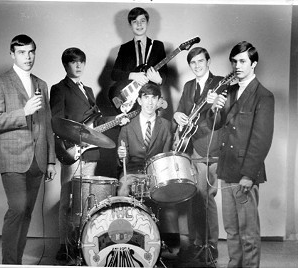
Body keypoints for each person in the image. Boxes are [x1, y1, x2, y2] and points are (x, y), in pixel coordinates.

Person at [50, 47, 128, 263]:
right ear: (66, 65)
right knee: (67, 200)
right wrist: (68, 147)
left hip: (90, 154)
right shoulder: (59, 89)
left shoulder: (90, 91)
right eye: (73, 62)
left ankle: (81, 243)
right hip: (72, 152)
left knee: (85, 201)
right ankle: (64, 245)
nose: (78, 66)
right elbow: (56, 122)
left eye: (81, 62)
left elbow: (97, 123)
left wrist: (118, 118)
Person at [0, 34, 56, 264]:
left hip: (38, 159)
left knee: (26, 214)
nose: (28, 56)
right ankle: (9, 263)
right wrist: (22, 112)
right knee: (17, 210)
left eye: (31, 51)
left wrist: (51, 160)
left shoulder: (41, 84)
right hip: (12, 158)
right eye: (22, 52)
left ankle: (16, 263)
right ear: (12, 54)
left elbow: (47, 123)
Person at [117, 82, 199, 267]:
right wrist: (120, 154)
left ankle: (171, 247)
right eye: (146, 98)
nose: (150, 102)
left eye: (154, 98)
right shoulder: (127, 126)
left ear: (158, 101)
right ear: (139, 100)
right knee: (123, 189)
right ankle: (124, 240)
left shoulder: (166, 126)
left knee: (169, 198)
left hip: (156, 173)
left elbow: (166, 156)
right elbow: (121, 162)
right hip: (132, 172)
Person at [208, 41, 275, 268]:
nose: (237, 65)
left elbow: (261, 140)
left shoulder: (263, 96)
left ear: (253, 64)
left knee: (248, 234)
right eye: (234, 61)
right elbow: (217, 125)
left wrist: (248, 174)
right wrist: (214, 109)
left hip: (245, 173)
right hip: (226, 170)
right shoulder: (230, 92)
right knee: (232, 232)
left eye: (242, 61)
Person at [173, 47, 224, 262]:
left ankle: (210, 245)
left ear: (208, 61)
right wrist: (177, 115)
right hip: (191, 148)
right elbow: (182, 110)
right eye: (192, 62)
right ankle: (197, 243)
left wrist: (215, 106)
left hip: (210, 148)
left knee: (206, 198)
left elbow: (222, 118)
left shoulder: (221, 83)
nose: (197, 66)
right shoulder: (189, 86)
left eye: (200, 61)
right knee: (195, 198)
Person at [110, 7, 167, 109]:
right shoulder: (125, 48)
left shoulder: (157, 46)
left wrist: (159, 80)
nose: (139, 24)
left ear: (147, 23)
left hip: (150, 98)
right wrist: (133, 75)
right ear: (130, 25)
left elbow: (165, 73)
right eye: (135, 22)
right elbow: (114, 74)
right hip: (130, 100)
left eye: (142, 21)